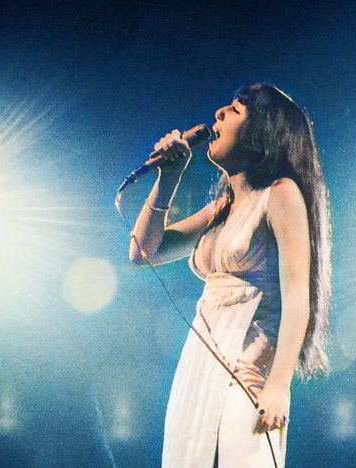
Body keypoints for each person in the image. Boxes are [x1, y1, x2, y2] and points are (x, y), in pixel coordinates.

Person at [128, 83, 331, 467]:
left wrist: (279, 385)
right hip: (201, 364)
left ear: (262, 131)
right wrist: (168, 177)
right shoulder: (221, 207)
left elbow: (297, 298)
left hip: (249, 370)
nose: (219, 112)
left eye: (235, 110)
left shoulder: (281, 193)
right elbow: (143, 252)